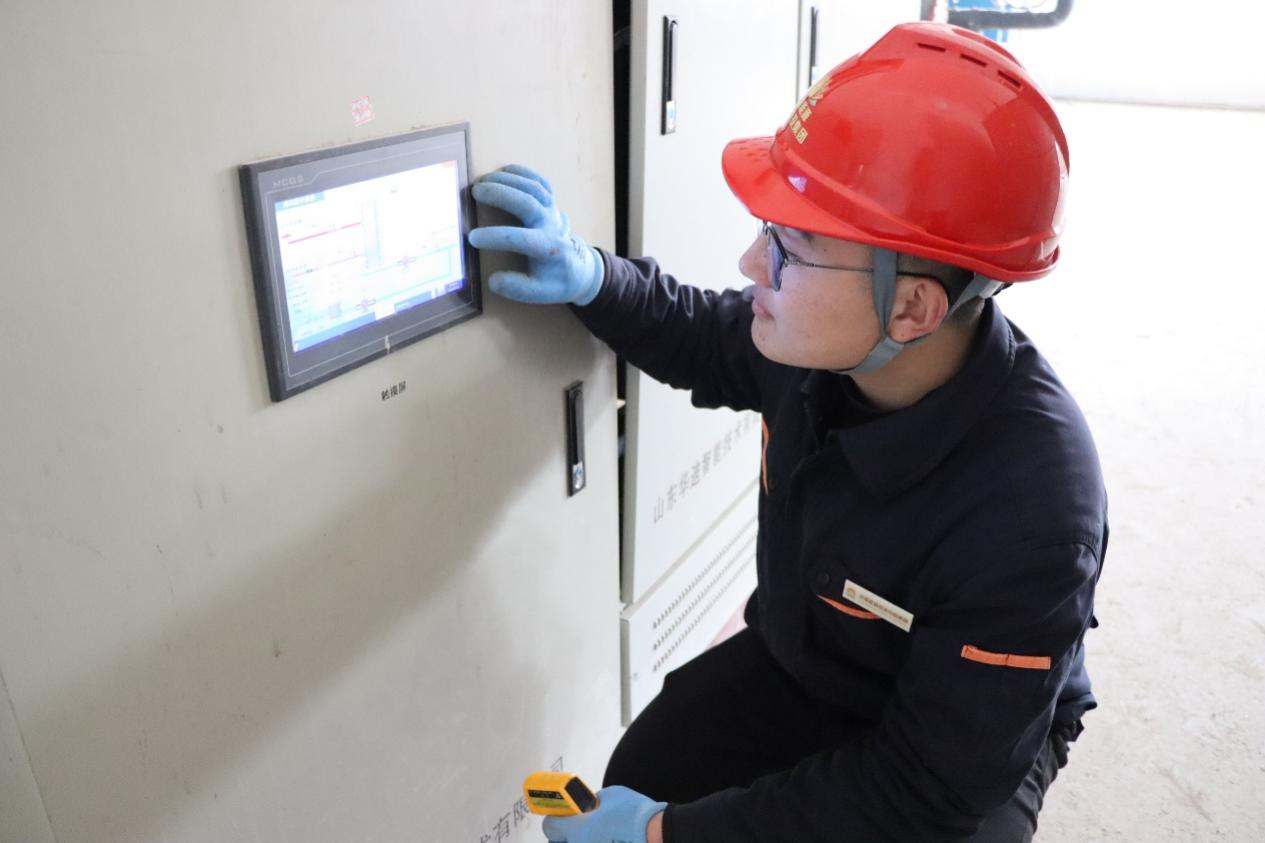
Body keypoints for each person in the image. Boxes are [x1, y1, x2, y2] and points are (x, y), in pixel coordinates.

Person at [469, 21, 1106, 843]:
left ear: (911, 306)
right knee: (646, 769)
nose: (749, 264)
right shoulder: (825, 347)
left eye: (789, 249)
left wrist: (667, 835)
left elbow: (925, 789)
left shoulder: (1033, 511)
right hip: (808, 655)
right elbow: (701, 335)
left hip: (965, 740)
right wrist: (592, 276)